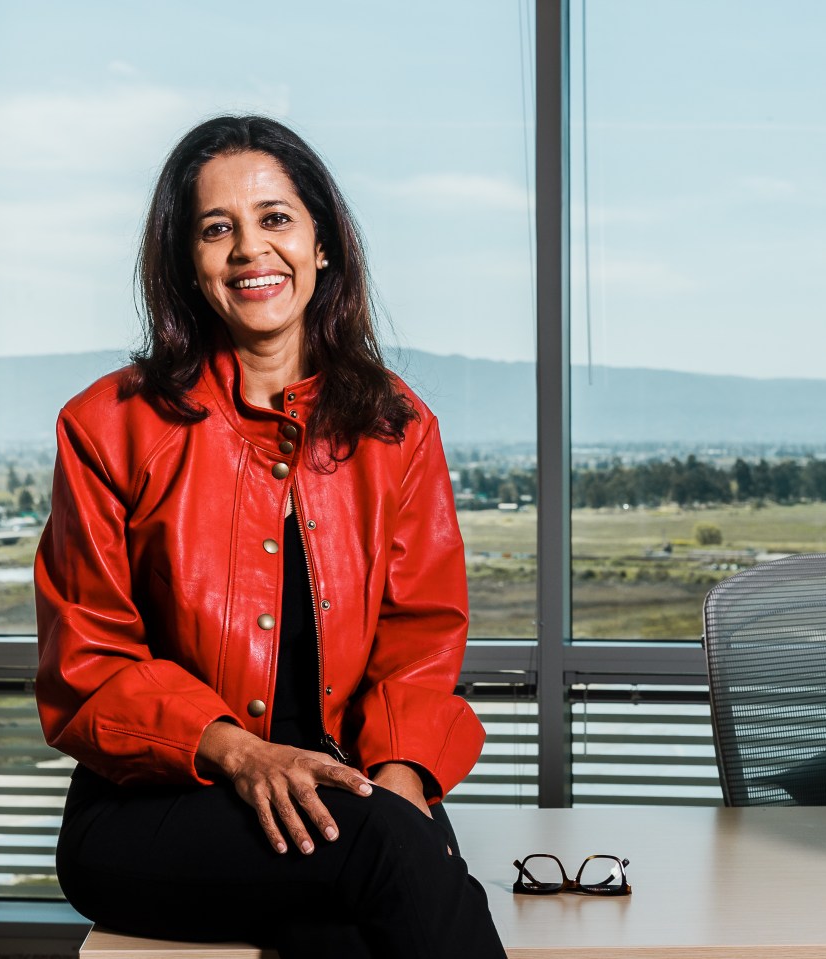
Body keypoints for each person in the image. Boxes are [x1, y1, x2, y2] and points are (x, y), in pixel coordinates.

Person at [34, 115, 506, 959]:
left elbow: (419, 643)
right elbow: (90, 667)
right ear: (188, 262)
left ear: (323, 244)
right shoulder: (107, 426)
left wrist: (398, 787)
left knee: (344, 917)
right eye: (219, 229)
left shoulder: (399, 428)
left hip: (347, 791)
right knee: (384, 860)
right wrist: (244, 753)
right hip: (154, 807)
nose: (252, 249)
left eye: (276, 218)